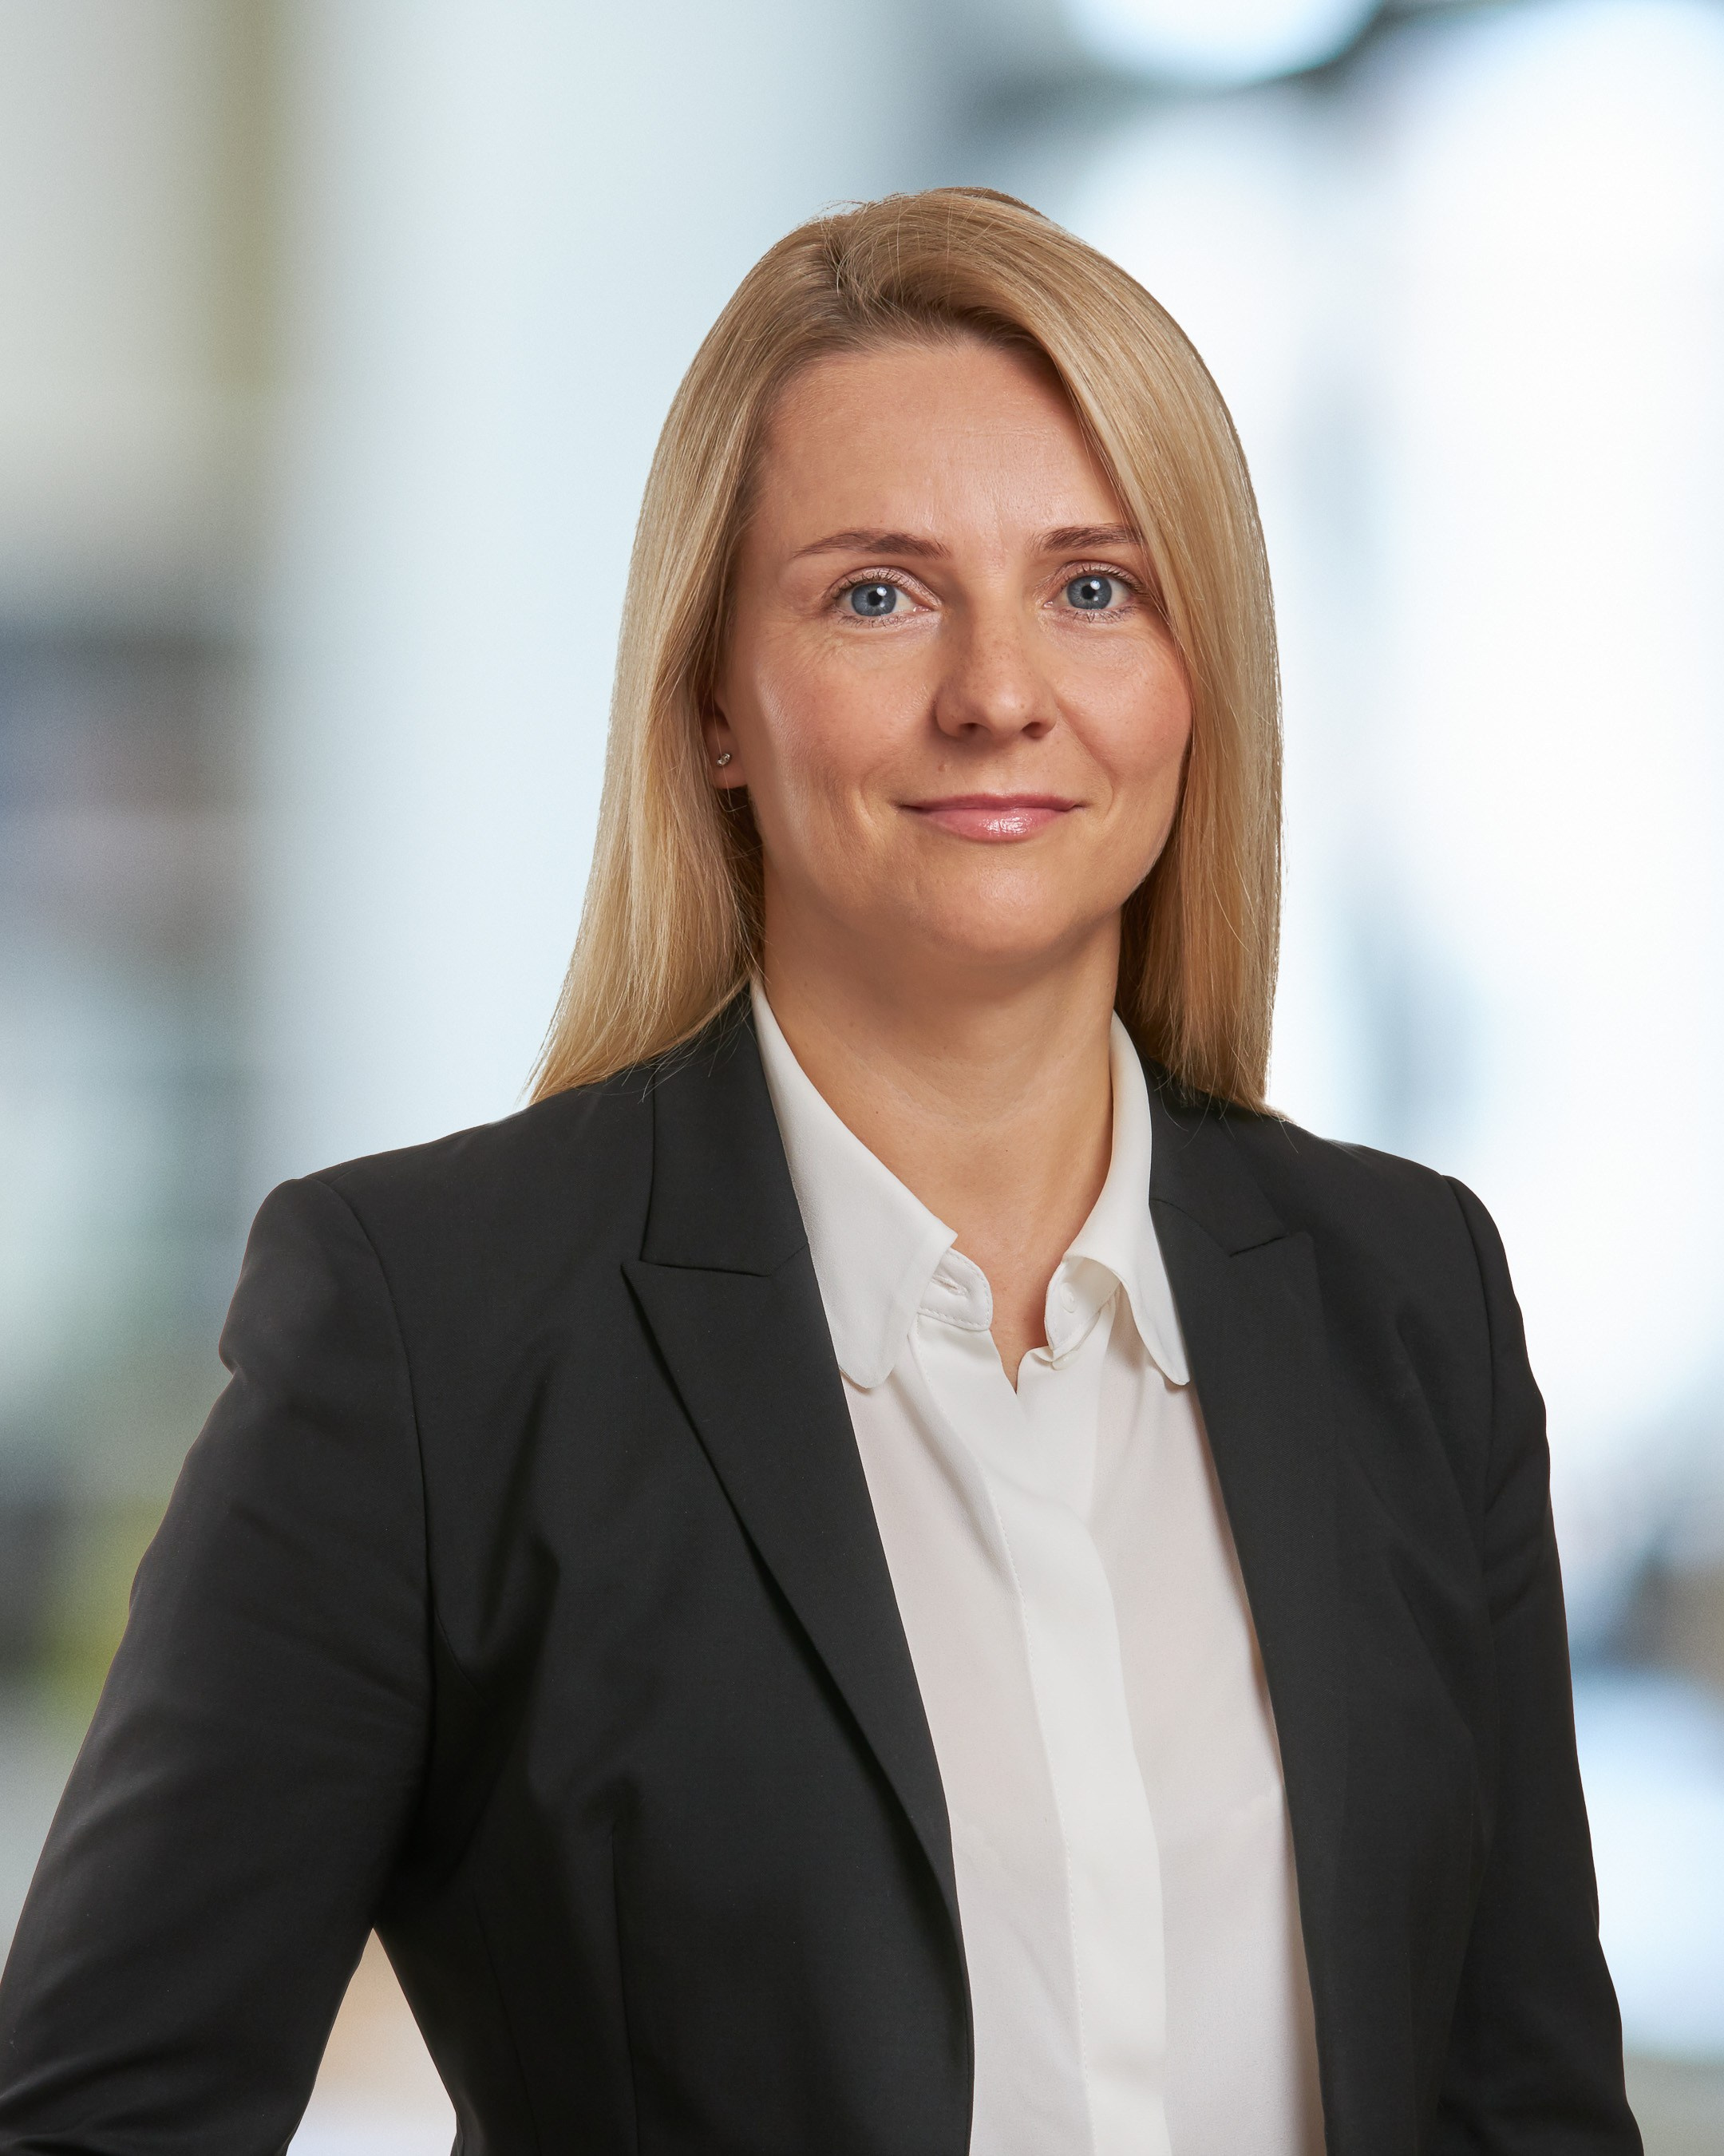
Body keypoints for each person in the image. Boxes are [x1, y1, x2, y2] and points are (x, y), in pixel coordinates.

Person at [0, 188, 1638, 2156]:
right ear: (709, 702)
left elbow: (1528, 2106)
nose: (999, 691)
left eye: (1096, 587)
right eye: (878, 592)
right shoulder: (435, 1325)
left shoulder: (1408, 1295)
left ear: (1205, 675)